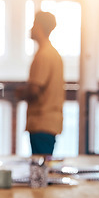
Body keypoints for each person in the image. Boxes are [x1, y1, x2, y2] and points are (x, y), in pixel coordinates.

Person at [15, 11, 64, 155]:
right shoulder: (52, 53)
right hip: (49, 122)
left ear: (39, 26)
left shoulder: (44, 55)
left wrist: (19, 93)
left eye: (33, 24)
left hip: (42, 122)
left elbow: (34, 90)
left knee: (40, 169)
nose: (31, 28)